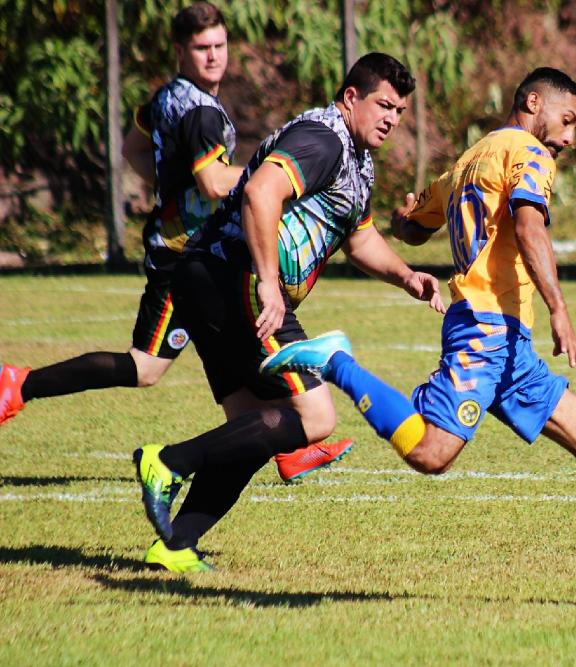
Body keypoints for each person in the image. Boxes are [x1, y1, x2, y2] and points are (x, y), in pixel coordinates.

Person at [260, 67, 576, 599]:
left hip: (509, 343)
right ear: (533, 102)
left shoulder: (471, 158)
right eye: (567, 120)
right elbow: (530, 226)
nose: (570, 137)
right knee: (432, 453)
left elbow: (414, 228)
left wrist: (403, 216)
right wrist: (560, 308)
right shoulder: (530, 154)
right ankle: (338, 362)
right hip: (485, 329)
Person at [0, 2, 351, 485]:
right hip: (184, 256)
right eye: (202, 48)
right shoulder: (203, 113)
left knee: (245, 344)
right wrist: (267, 178)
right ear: (180, 52)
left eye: (220, 46)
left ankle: (285, 448)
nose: (213, 57)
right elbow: (211, 182)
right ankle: (19, 384)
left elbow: (133, 149)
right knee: (146, 367)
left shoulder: (169, 97)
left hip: (197, 251)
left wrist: (169, 190)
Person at [131, 52, 445, 572]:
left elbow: (360, 239)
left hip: (210, 278)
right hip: (237, 280)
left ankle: (175, 543)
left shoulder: (356, 159)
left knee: (256, 431)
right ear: (351, 98)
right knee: (316, 416)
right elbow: (259, 191)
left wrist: (407, 276)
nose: (391, 118)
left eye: (400, 111)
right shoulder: (323, 140)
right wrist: (271, 287)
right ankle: (167, 462)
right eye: (383, 105)